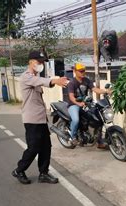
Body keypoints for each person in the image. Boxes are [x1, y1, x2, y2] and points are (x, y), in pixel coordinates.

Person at [11, 50, 69, 185]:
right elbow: (41, 81)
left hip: (41, 118)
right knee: (33, 148)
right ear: (30, 62)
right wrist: (55, 80)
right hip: (31, 119)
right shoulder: (26, 77)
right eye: (39, 62)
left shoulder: (35, 77)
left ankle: (43, 173)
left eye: (42, 62)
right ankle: (19, 170)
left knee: (46, 146)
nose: (41, 64)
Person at [67, 63, 111, 148]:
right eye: (80, 71)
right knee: (76, 120)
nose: (82, 72)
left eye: (83, 71)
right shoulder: (72, 83)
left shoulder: (87, 80)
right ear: (75, 71)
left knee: (98, 119)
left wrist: (105, 91)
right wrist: (78, 103)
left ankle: (99, 141)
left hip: (85, 104)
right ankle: (72, 137)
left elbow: (95, 89)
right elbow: (71, 97)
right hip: (73, 105)